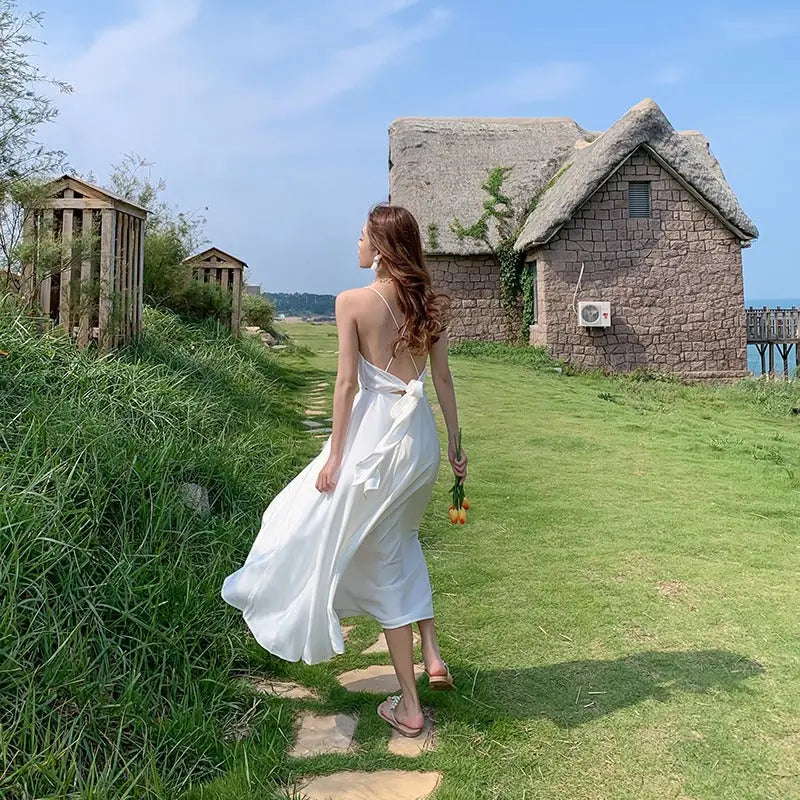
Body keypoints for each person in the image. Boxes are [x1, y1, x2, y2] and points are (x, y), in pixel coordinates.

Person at [221, 202, 468, 739]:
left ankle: (409, 704)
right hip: (418, 440)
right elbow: (443, 381)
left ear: (379, 249)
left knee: (358, 546)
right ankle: (431, 653)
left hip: (375, 440)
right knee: (399, 543)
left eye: (361, 237)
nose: (355, 245)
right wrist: (454, 441)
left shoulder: (352, 302)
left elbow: (347, 386)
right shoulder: (429, 306)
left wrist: (334, 455)